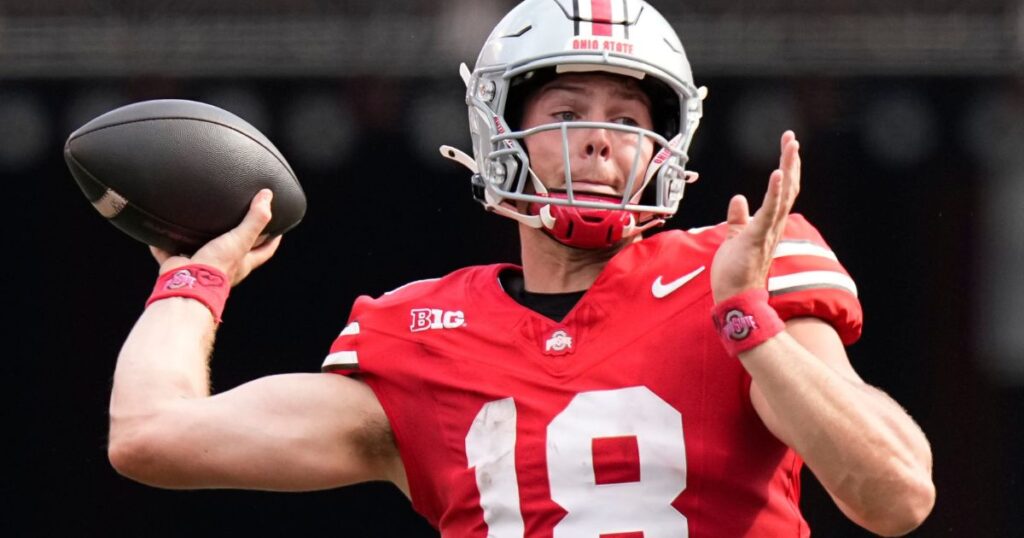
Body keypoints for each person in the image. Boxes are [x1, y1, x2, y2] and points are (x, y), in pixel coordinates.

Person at [107, 0, 935, 536]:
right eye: (567, 112)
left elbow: (896, 495)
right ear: (501, 132)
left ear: (668, 145)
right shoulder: (423, 337)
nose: (601, 138)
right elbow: (152, 438)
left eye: (626, 116)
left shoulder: (738, 265)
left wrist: (747, 322)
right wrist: (193, 276)